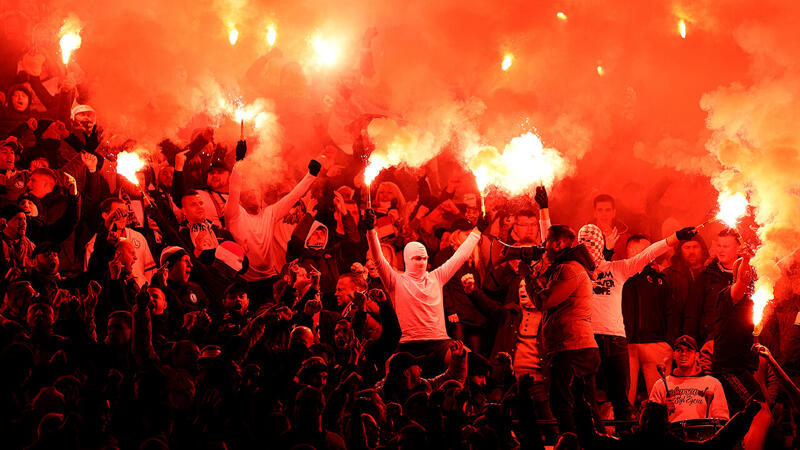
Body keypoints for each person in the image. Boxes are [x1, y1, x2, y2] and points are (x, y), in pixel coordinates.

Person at [577, 223, 697, 422]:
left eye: (593, 242)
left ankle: (634, 433)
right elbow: (552, 251)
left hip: (621, 340)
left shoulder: (621, 269)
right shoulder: (576, 271)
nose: (590, 247)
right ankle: (596, 434)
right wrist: (543, 212)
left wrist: (676, 237)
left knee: (625, 399)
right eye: (584, 243)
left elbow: (649, 253)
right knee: (593, 397)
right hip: (594, 340)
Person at [364, 207, 486, 374]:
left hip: (439, 343)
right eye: (417, 258)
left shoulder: (436, 277)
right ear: (407, 259)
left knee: (475, 364)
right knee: (400, 377)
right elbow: (378, 259)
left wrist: (478, 231)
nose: (422, 262)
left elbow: (461, 256)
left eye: (424, 258)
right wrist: (371, 231)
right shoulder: (395, 280)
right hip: (408, 345)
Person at [523, 224, 599, 433]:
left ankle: (571, 442)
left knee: (563, 405)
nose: (543, 245)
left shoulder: (569, 269)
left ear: (558, 244)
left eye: (547, 240)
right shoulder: (567, 267)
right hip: (576, 347)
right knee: (584, 406)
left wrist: (528, 278)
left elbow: (544, 300)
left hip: (571, 347)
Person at [622, 235, 679, 405]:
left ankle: (661, 423)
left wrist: (669, 342)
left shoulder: (659, 279)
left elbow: (671, 312)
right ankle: (623, 423)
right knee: (624, 398)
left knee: (660, 400)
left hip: (656, 343)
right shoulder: (618, 275)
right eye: (648, 249)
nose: (653, 253)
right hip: (626, 344)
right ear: (633, 251)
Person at [649, 335, 729, 423]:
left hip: (703, 431)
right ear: (674, 355)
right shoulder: (661, 385)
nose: (683, 353)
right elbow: (650, 421)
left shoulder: (713, 384)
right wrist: (663, 410)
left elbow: (722, 419)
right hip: (671, 431)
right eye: (679, 350)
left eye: (688, 350)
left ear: (696, 356)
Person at [685, 229, 740, 346]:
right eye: (719, 246)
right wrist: (690, 344)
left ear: (738, 248)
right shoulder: (706, 277)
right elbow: (692, 314)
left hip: (741, 343)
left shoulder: (747, 276)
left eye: (726, 246)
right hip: (711, 343)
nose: (720, 250)